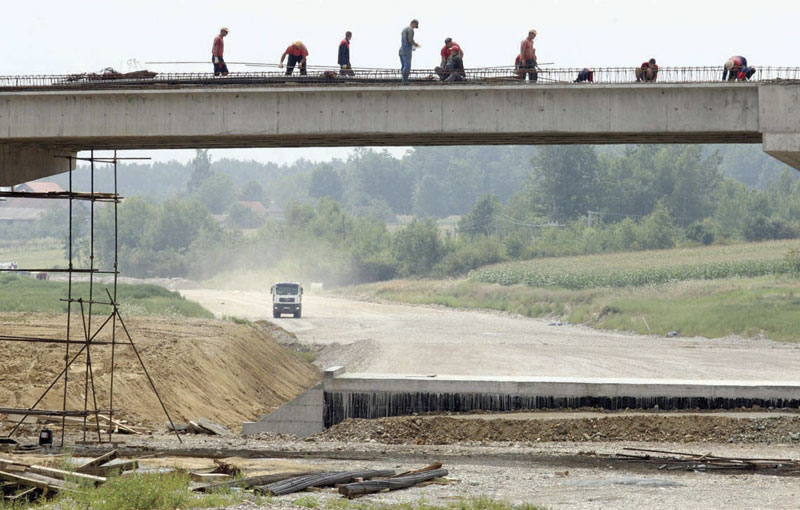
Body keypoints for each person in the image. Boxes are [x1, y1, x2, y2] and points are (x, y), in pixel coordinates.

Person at [399, 19, 420, 84]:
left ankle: (403, 79)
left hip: (401, 50)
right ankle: (405, 80)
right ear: (413, 23)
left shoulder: (404, 29)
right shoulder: (410, 30)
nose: (415, 27)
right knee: (407, 66)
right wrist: (415, 44)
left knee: (403, 66)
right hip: (407, 50)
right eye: (415, 25)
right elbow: (410, 40)